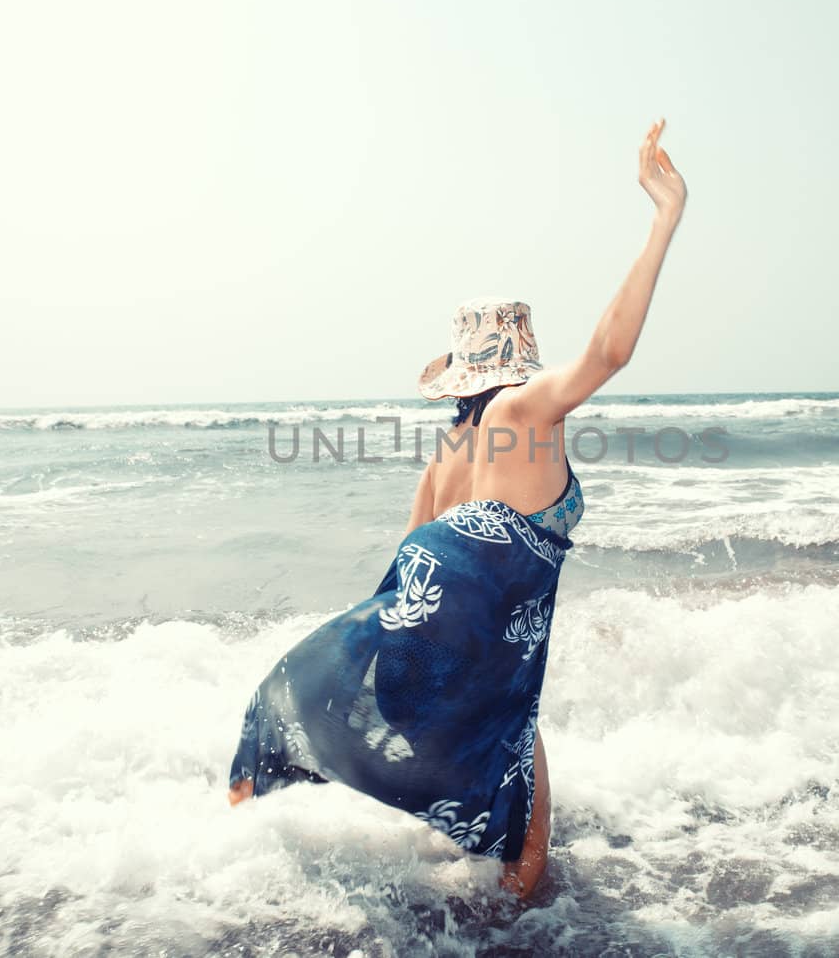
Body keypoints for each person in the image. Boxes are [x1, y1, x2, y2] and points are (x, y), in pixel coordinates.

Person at [228, 119, 686, 899]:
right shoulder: (523, 412)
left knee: (281, 726)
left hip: (417, 654)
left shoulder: (445, 453)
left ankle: (223, 867)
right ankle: (513, 920)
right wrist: (664, 216)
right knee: (521, 843)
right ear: (514, 364)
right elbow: (609, 353)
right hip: (484, 664)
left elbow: (409, 563)